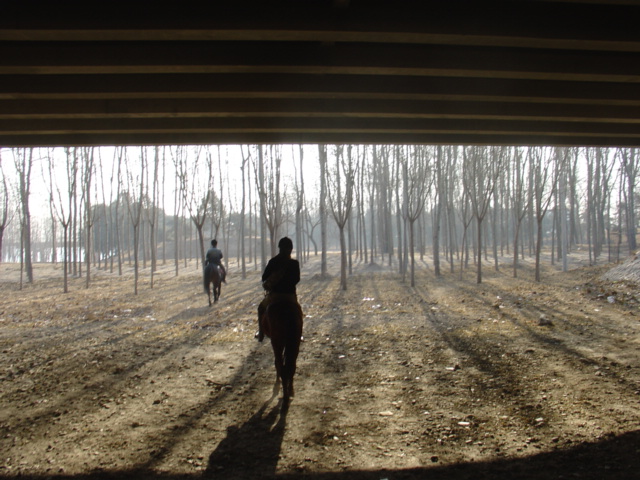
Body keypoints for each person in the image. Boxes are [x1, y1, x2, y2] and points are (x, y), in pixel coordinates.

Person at [256, 236, 303, 342]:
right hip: (290, 297)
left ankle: (261, 333)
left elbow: (264, 278)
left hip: (275, 296)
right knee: (298, 312)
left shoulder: (273, 262)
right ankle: (299, 334)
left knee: (261, 308)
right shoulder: (294, 263)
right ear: (291, 249)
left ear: (279, 248)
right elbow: (297, 279)